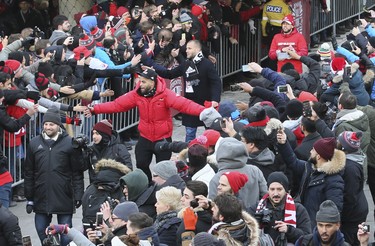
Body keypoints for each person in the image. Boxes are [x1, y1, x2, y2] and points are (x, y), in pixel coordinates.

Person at [82, 68, 209, 180]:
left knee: (163, 169)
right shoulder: (137, 94)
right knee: (141, 165)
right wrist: (95, 109)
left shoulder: (165, 94)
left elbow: (185, 105)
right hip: (145, 137)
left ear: (152, 82)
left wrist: (205, 111)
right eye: (139, 80)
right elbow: (117, 105)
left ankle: (163, 190)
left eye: (143, 81)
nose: (139, 84)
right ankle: (146, 187)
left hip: (163, 139)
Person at [24, 107, 85, 246]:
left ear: (58, 125)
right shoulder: (34, 143)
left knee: (65, 237)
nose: (48, 127)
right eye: (46, 124)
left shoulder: (70, 143)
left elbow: (77, 172)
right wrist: (29, 198)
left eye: (51, 124)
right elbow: (29, 172)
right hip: (41, 197)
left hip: (63, 196)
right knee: (41, 230)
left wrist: (78, 194)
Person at [154, 40, 222, 142]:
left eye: (189, 48)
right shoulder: (186, 64)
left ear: (197, 49)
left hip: (206, 104)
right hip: (189, 103)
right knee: (190, 133)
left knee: (211, 132)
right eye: (186, 48)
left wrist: (215, 99)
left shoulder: (207, 64)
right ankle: (190, 154)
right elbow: (169, 74)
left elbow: (216, 82)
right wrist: (153, 68)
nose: (186, 51)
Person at [277, 131, 345, 229]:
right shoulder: (310, 167)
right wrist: (284, 144)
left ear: (318, 156)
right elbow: (293, 162)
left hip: (317, 228)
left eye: (313, 150)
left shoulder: (334, 180)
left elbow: (334, 210)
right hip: (305, 222)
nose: (310, 151)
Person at [209, 137, 268, 210]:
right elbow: (265, 196)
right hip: (254, 218)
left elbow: (214, 206)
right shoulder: (254, 170)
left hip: (229, 219)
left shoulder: (217, 178)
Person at [253, 171, 311, 244]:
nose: (276, 193)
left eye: (279, 189)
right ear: (268, 190)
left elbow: (307, 238)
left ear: (286, 191)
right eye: (272, 189)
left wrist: (288, 230)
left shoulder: (298, 209)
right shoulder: (257, 208)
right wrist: (255, 223)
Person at [337, 131, 368, 246]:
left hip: (353, 216)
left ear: (344, 147)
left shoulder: (350, 168)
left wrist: (342, 218)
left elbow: (350, 196)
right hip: (361, 210)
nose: (336, 142)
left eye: (338, 141)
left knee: (356, 241)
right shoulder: (357, 158)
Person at [177, 180, 212, 245]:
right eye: (183, 195)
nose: (182, 199)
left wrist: (189, 230)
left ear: (197, 201)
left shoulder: (200, 222)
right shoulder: (185, 215)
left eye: (186, 197)